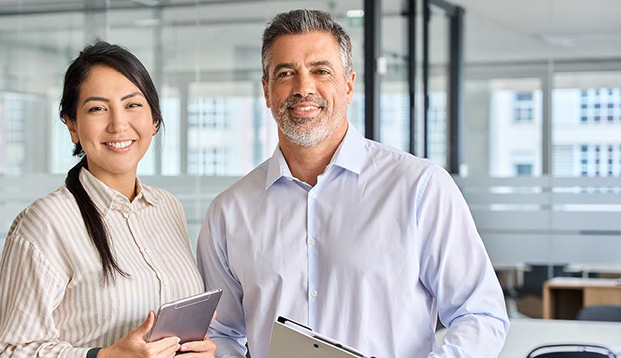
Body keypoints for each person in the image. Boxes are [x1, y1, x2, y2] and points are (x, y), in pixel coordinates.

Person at [196, 9, 509, 358]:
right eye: (286, 73)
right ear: (267, 91)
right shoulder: (229, 211)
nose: (303, 88)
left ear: (348, 85)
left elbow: (481, 315)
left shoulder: (420, 188)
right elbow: (220, 333)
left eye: (321, 71)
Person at [0, 41, 216, 358]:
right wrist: (104, 356)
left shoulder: (167, 207)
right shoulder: (45, 222)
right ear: (72, 125)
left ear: (154, 119)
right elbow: (4, 352)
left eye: (133, 105)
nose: (118, 124)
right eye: (97, 108)